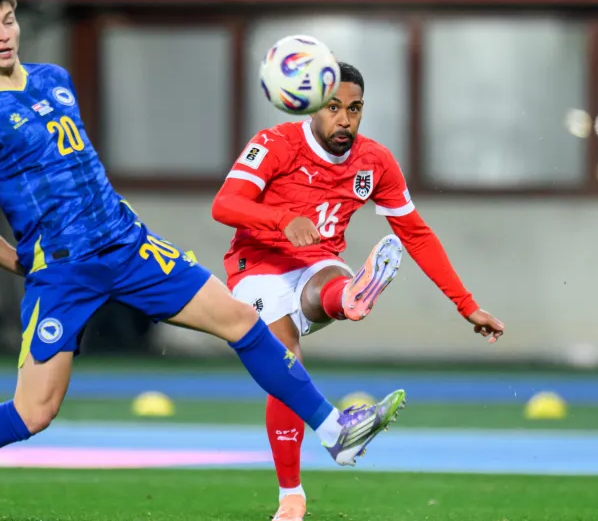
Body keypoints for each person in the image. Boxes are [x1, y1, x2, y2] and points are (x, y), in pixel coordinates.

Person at [0, 0, 406, 520]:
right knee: (34, 412)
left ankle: (332, 429)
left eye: (7, 21)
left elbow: (76, 166)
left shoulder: (54, 78)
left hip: (128, 245)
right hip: (62, 273)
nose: (3, 34)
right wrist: (23, 263)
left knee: (242, 320)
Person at [211, 62, 506, 521]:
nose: (345, 119)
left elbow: (417, 234)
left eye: (355, 108)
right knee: (285, 358)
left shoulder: (375, 161)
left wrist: (466, 305)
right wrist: (282, 220)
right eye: (334, 108)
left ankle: (349, 298)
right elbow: (224, 204)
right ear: (312, 108)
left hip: (318, 263)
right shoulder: (275, 144)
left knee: (326, 290)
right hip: (258, 265)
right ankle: (291, 495)